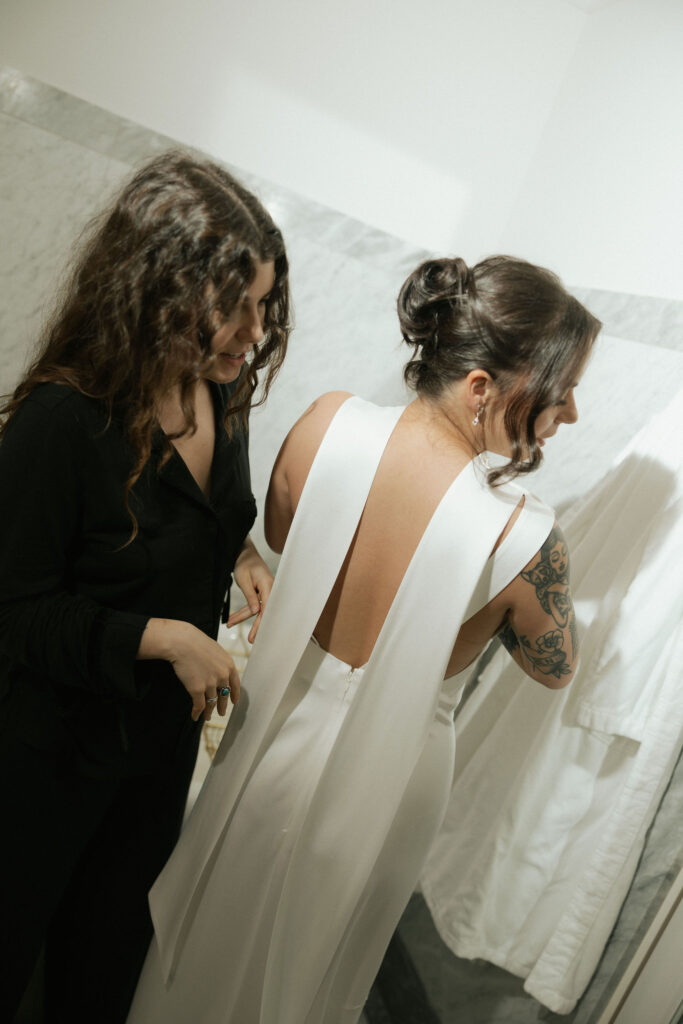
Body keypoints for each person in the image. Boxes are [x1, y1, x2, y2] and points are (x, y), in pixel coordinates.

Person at [127, 255, 601, 1024]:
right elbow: (556, 668)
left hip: (274, 732)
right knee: (316, 966)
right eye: (562, 385)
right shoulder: (524, 536)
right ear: (481, 386)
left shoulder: (324, 425)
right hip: (394, 773)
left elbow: (282, 532)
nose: (570, 411)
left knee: (214, 926)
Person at [0, 151, 291, 1024]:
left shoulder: (219, 400)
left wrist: (241, 559)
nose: (253, 331)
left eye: (264, 305)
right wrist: (159, 636)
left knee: (100, 976)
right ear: (156, 290)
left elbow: (204, 518)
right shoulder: (62, 419)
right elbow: (14, 611)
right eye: (233, 306)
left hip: (154, 755)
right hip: (43, 758)